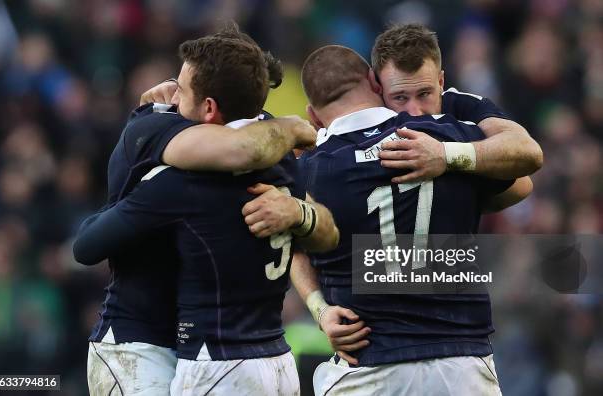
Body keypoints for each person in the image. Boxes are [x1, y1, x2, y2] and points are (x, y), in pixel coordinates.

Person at [74, 29, 340, 395]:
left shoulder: (174, 161)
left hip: (205, 356)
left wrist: (298, 212)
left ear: (211, 107)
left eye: (179, 88)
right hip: (141, 343)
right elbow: (327, 230)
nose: (168, 94)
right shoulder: (280, 154)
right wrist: (291, 127)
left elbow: (85, 246)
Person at [298, 44, 531, 395]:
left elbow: (291, 244)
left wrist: (319, 310)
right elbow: (522, 181)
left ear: (313, 117)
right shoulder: (441, 134)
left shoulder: (311, 170)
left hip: (367, 365)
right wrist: (455, 180)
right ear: (375, 85)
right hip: (462, 364)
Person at [371, 24, 543, 182]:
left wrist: (446, 156)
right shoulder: (363, 119)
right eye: (400, 98)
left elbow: (529, 153)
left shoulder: (462, 105)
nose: (415, 112)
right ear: (379, 89)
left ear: (440, 82)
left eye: (424, 94)